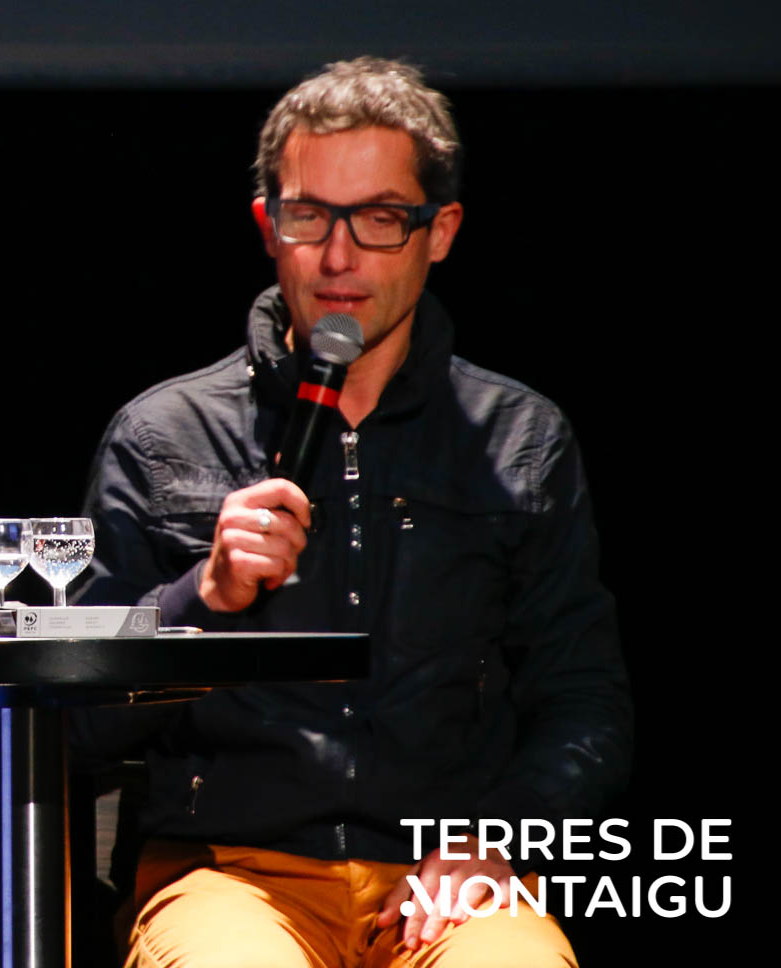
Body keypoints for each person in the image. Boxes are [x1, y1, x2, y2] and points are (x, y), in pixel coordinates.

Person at [73, 58, 631, 967]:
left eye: (378, 219)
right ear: (268, 225)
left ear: (438, 232)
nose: (338, 258)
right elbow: (77, 725)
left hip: (445, 879)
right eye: (309, 217)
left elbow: (586, 703)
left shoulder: (519, 438)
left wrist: (498, 843)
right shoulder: (165, 433)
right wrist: (201, 600)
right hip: (230, 873)